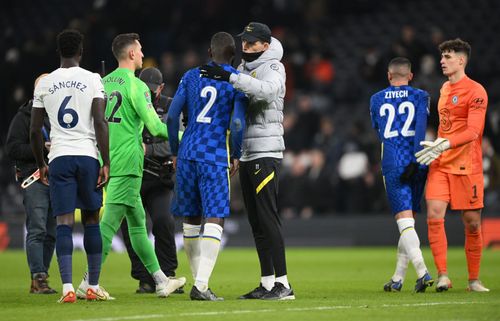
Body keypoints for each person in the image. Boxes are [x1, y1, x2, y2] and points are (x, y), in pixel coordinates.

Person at [77, 33, 185, 299]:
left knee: (137, 225)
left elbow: (93, 124)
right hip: (128, 163)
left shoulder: (101, 82)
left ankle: (161, 281)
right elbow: (156, 127)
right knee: (109, 224)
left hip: (107, 160)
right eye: (140, 49)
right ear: (132, 55)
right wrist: (187, 137)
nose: (142, 52)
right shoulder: (136, 86)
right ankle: (88, 282)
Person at [200, 22, 294, 300]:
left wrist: (229, 78)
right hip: (247, 152)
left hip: (266, 152)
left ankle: (284, 283)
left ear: (265, 45)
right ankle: (267, 283)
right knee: (256, 220)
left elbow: (268, 91)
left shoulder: (274, 67)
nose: (246, 46)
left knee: (268, 218)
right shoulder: (243, 69)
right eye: (244, 41)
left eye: (252, 42)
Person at [30, 29, 110, 303]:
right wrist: (106, 161)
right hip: (87, 156)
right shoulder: (93, 79)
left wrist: (42, 163)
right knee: (91, 219)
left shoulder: (45, 83)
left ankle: (65, 288)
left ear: (58, 52)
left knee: (63, 221)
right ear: (81, 51)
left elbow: (34, 130)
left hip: (60, 157)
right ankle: (92, 285)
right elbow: (100, 122)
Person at [167, 31, 246, 301]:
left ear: (210, 53)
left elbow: (173, 115)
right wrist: (235, 153)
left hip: (187, 151)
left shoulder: (190, 76)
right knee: (215, 215)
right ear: (233, 57)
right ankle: (201, 285)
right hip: (213, 154)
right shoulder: (236, 82)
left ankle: (197, 282)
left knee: (190, 217)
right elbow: (236, 123)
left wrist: (175, 152)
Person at [415, 38, 490, 292]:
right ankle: (443, 275)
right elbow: (445, 125)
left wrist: (445, 144)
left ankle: (474, 280)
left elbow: (473, 131)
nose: (442, 61)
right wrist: (437, 145)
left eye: (447, 57)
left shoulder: (476, 91)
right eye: (442, 57)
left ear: (461, 60)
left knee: (472, 223)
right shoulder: (444, 89)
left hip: (467, 166)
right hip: (441, 163)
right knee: (434, 215)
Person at [369, 57, 433, 292]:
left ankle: (423, 272)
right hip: (419, 161)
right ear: (411, 75)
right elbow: (420, 129)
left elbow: (379, 129)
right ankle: (397, 278)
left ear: (389, 75)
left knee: (404, 222)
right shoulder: (421, 96)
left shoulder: (376, 99)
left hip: (394, 162)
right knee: (409, 222)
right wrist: (417, 159)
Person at [119, 67, 181, 294]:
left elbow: (177, 139)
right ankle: (144, 278)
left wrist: (150, 149)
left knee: (164, 220)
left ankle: (168, 274)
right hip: (133, 174)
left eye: (154, 91)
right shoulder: (129, 100)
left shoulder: (173, 105)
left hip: (159, 179)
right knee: (130, 227)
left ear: (161, 89)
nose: (151, 94)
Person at [6, 74, 57, 295]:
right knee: (37, 228)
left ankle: (41, 277)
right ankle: (38, 277)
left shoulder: (58, 115)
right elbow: (13, 149)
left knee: (51, 232)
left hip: (56, 178)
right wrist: (41, 149)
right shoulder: (24, 116)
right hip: (34, 177)